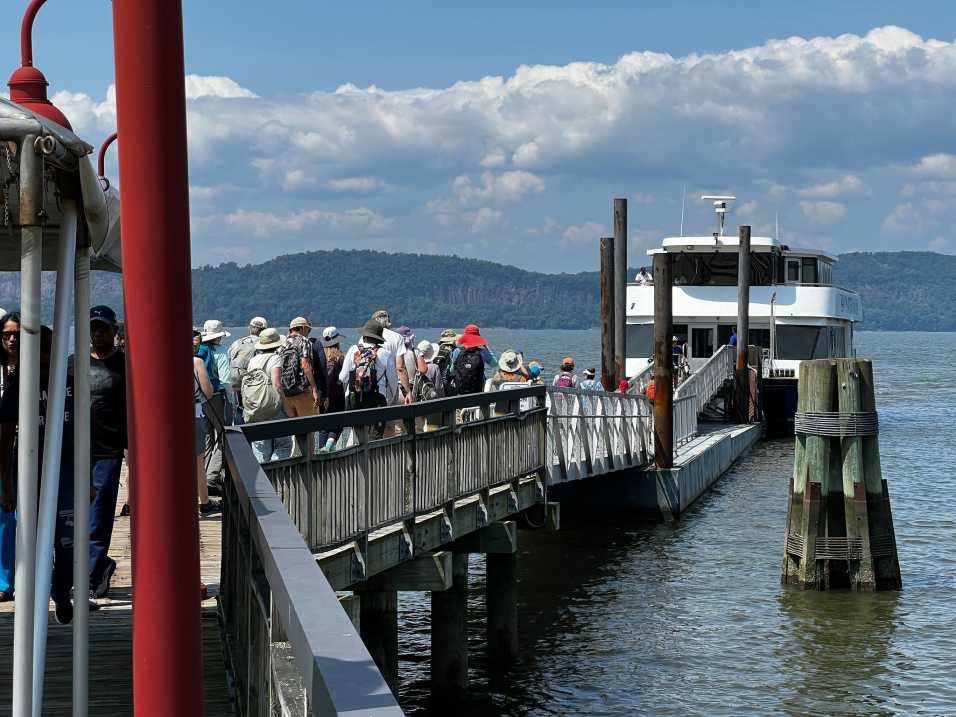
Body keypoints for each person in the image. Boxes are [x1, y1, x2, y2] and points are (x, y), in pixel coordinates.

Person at [0, 327, 86, 623]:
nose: (46, 356)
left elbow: (83, 431)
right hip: (28, 471)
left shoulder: (72, 382)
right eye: (41, 349)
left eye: (50, 349)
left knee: (66, 539)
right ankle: (34, 598)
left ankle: (61, 593)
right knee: (33, 540)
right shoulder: (18, 385)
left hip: (67, 470)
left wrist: (86, 479)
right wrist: (7, 485)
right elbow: (5, 436)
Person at [84, 306, 127, 599]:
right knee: (75, 516)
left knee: (98, 516)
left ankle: (92, 573)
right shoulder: (74, 363)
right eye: (93, 328)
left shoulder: (126, 364)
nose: (97, 333)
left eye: (103, 328)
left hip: (108, 450)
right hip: (76, 451)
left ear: (115, 331)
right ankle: (96, 567)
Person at [340, 322, 396, 439]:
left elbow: (342, 377)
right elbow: (393, 383)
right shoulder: (385, 354)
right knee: (375, 439)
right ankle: (373, 456)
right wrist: (388, 401)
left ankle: (360, 454)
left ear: (364, 335)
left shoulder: (353, 350)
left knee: (359, 438)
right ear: (378, 338)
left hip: (354, 399)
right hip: (376, 400)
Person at [244, 328, 293, 463]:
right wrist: (287, 408)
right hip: (273, 408)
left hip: (255, 408)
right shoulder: (275, 358)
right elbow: (277, 384)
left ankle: (262, 479)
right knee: (283, 445)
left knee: (260, 448)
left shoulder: (253, 360)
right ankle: (275, 479)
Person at [200, 319, 231, 495]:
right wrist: (233, 400)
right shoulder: (220, 351)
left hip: (200, 399)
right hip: (217, 396)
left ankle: (202, 475)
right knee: (222, 436)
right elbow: (226, 379)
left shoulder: (199, 351)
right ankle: (212, 477)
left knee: (207, 437)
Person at [0, 312, 19, 602]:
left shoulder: (36, 369)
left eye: (17, 334)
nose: (13, 339)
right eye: (7, 334)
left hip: (26, 447)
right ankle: (5, 580)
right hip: (2, 448)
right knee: (5, 515)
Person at [193, 331, 221, 515]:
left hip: (166, 418)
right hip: (193, 411)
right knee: (198, 460)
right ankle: (204, 502)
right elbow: (208, 392)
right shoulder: (197, 362)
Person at [228, 316, 268, 421]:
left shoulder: (236, 343)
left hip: (235, 383)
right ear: (264, 330)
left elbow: (229, 360)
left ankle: (239, 431)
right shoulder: (262, 344)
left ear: (249, 328)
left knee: (239, 410)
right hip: (252, 384)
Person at [283, 317, 323, 420]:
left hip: (286, 392)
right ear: (303, 328)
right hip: (302, 390)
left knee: (295, 428)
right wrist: (314, 389)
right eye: (308, 330)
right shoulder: (304, 341)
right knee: (309, 428)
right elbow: (306, 366)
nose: (308, 333)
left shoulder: (282, 343)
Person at [318, 327, 345, 453]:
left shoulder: (320, 356)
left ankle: (321, 450)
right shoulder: (340, 357)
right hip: (338, 396)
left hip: (323, 396)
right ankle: (329, 446)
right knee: (338, 423)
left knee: (323, 426)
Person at [451, 324, 495, 395]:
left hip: (460, 390)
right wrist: (486, 347)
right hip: (477, 390)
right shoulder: (482, 352)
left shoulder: (457, 351)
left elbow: (452, 371)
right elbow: (494, 364)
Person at [435, 329, 458, 395]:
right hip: (446, 384)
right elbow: (452, 371)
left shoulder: (436, 349)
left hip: (435, 384)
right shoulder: (454, 350)